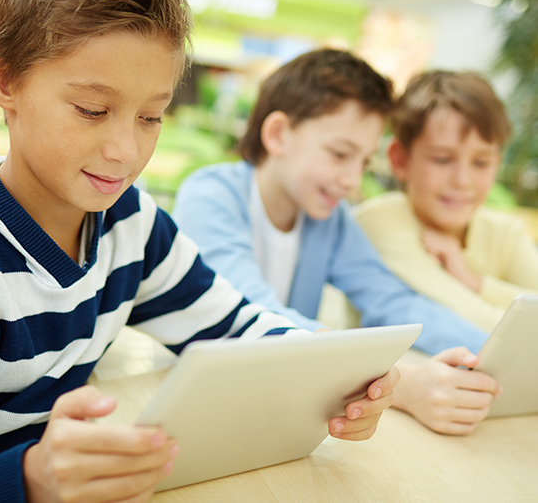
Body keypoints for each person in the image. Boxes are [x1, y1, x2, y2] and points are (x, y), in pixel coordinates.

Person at [0, 0, 399, 503]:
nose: (125, 150)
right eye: (90, 108)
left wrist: (332, 370)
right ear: (3, 79)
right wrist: (30, 477)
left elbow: (235, 326)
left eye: (151, 116)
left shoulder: (133, 225)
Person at [173, 49, 502, 436]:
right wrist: (406, 385)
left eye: (362, 162)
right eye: (340, 153)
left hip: (279, 410)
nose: (351, 180)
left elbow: (392, 301)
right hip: (202, 409)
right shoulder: (210, 195)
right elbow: (251, 310)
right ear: (277, 134)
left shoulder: (331, 219)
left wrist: (492, 352)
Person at [355, 70, 538, 333]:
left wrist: (474, 281)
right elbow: (467, 320)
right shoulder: (380, 221)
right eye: (442, 159)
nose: (462, 180)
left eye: (481, 162)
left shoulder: (505, 233)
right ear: (400, 160)